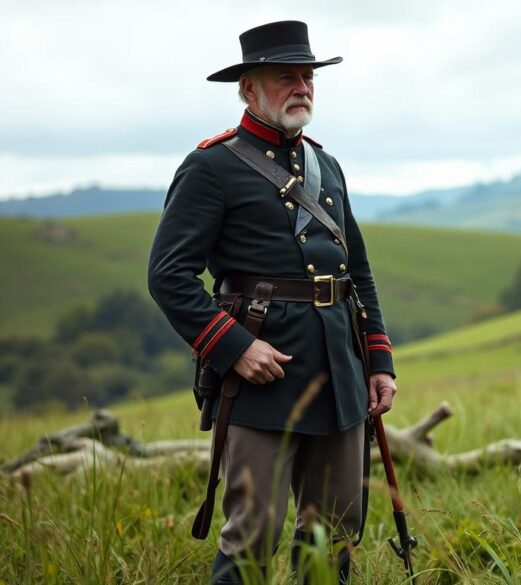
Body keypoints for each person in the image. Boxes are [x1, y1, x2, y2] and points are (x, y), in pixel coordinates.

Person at [147, 20, 397, 584]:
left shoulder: (325, 166)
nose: (302, 87)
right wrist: (234, 349)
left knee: (332, 536)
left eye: (307, 76)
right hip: (262, 380)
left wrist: (378, 362)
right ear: (248, 88)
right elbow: (168, 275)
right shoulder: (211, 167)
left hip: (339, 375)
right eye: (287, 77)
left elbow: (356, 273)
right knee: (251, 540)